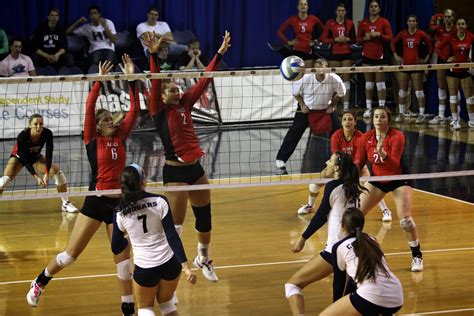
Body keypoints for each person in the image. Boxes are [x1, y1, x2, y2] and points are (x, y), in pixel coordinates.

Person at [26, 55, 140, 315]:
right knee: (71, 255)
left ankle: (128, 307)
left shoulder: (121, 136)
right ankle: (40, 281)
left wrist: (132, 81)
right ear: (98, 126)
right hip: (96, 201)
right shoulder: (91, 139)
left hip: (119, 205)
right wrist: (97, 82)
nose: (111, 122)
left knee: (123, 261)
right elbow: (90, 108)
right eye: (106, 120)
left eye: (112, 119)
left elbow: (134, 111)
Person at [143, 31, 231, 283]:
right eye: (171, 90)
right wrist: (152, 54)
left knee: (205, 219)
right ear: (162, 96)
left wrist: (219, 53)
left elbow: (204, 80)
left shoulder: (185, 103)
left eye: (177, 89)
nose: (176, 91)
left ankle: (203, 258)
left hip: (196, 169)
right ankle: (171, 267)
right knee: (176, 225)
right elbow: (156, 80)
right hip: (175, 173)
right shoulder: (158, 111)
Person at [285, 151, 365, 316]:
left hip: (336, 250)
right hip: (355, 247)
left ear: (336, 167)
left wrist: (302, 238)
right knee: (344, 299)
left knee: (292, 285)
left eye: (330, 160)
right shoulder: (354, 185)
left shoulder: (333, 187)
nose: (326, 162)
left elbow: (321, 216)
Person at [112, 164, 197, 316]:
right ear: (143, 181)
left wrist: (129, 239)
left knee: (145, 308)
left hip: (146, 268)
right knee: (167, 305)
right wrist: (186, 267)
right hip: (171, 265)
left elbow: (116, 247)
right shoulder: (160, 201)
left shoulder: (120, 212)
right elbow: (172, 236)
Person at [353, 107, 424, 272]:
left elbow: (394, 165)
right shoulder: (366, 137)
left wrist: (383, 154)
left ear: (388, 120)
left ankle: (417, 255)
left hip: (399, 179)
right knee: (355, 218)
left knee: (405, 221)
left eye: (382, 117)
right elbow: (359, 161)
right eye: (376, 116)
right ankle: (357, 253)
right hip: (378, 180)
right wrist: (350, 169)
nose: (379, 119)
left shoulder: (397, 136)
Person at [297, 111, 392, 222]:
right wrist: (340, 169)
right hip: (340, 165)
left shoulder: (361, 137)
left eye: (350, 119)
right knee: (319, 179)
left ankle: (385, 210)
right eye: (345, 119)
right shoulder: (336, 136)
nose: (347, 122)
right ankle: (310, 205)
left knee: (369, 184)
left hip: (357, 166)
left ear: (355, 122)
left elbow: (359, 159)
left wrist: (352, 171)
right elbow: (336, 156)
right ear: (341, 122)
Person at [320, 207, 403, 315]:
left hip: (372, 296)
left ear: (343, 226)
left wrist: (337, 307)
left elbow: (339, 284)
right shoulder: (372, 241)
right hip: (396, 295)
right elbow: (353, 279)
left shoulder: (339, 247)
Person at [275, 58, 345, 175]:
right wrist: (302, 104)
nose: (321, 68)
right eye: (318, 66)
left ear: (327, 67)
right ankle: (280, 160)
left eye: (323, 66)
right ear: (314, 68)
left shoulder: (334, 78)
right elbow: (295, 93)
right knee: (295, 131)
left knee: (338, 132)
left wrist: (332, 104)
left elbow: (341, 93)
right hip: (306, 108)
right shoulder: (305, 78)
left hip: (325, 108)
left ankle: (342, 159)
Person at [0, 114, 78, 212]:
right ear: (30, 125)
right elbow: (25, 160)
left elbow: (49, 155)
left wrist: (46, 173)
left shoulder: (47, 133)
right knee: (5, 181)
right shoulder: (23, 136)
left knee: (58, 173)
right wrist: (36, 177)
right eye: (35, 124)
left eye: (41, 124)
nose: (38, 126)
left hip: (35, 157)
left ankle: (65, 204)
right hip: (19, 157)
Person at [391, 14, 433, 123]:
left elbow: (431, 45)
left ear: (417, 23)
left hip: (416, 66)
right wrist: (396, 56)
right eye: (410, 21)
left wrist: (425, 59)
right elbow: (393, 43)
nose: (411, 23)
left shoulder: (420, 33)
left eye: (414, 21)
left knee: (419, 92)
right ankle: (401, 113)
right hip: (405, 66)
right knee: (402, 91)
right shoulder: (403, 33)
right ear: (407, 22)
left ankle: (422, 114)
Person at [356, 0, 393, 118]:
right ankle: (368, 108)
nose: (373, 8)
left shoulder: (384, 22)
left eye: (375, 6)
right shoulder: (363, 23)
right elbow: (358, 39)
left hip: (380, 56)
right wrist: (365, 38)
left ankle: (381, 107)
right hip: (367, 56)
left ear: (379, 9)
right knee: (369, 84)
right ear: (369, 9)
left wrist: (379, 35)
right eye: (371, 6)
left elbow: (390, 38)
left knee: (380, 83)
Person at [435, 17, 474, 129]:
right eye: (459, 24)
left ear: (466, 26)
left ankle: (472, 121)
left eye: (463, 24)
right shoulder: (451, 37)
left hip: (465, 71)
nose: (461, 26)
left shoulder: (470, 36)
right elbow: (438, 48)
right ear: (456, 26)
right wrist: (446, 58)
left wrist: (472, 60)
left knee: (470, 98)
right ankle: (455, 120)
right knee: (453, 97)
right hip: (452, 71)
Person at [319, 3, 356, 111]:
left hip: (346, 54)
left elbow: (355, 39)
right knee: (332, 80)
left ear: (345, 12)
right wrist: (335, 40)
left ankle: (346, 107)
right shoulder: (330, 23)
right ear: (336, 12)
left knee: (346, 80)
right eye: (339, 10)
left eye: (343, 10)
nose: (341, 12)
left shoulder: (349, 23)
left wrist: (348, 39)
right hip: (334, 54)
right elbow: (323, 39)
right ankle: (332, 105)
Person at [429, 9, 457, 125]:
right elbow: (429, 29)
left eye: (449, 17)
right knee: (441, 87)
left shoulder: (456, 29)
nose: (447, 19)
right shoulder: (439, 29)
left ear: (453, 18)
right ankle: (441, 115)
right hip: (442, 60)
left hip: (454, 61)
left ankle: (456, 116)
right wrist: (435, 18)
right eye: (445, 17)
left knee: (454, 89)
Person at [277, 0, 324, 66]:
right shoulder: (293, 19)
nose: (303, 6)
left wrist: (318, 41)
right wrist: (288, 42)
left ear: (308, 7)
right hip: (296, 50)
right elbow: (280, 31)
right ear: (297, 7)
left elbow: (325, 31)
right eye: (301, 4)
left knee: (308, 74)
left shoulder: (313, 19)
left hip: (308, 50)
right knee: (298, 74)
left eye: (305, 4)